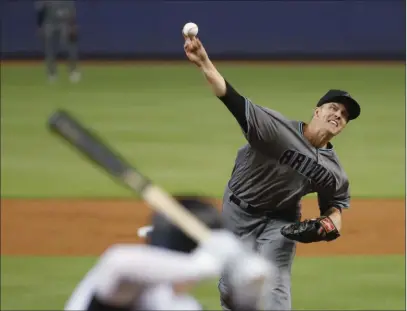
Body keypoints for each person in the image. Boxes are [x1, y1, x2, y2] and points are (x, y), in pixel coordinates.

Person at [183, 36, 361, 310]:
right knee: (232, 288)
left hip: (281, 218)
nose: (338, 115)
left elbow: (335, 212)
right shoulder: (276, 130)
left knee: (276, 282)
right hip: (238, 209)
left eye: (345, 115)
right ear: (317, 111)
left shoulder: (332, 171)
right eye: (333, 108)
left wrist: (324, 226)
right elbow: (230, 98)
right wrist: (204, 62)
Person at [65, 197, 272, 311]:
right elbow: (118, 263)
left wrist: (248, 298)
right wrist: (201, 266)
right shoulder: (130, 287)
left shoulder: (181, 306)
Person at [35, 0, 80, 83]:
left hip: (64, 23)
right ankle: (52, 73)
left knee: (70, 48)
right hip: (49, 23)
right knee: (49, 50)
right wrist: (40, 27)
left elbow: (72, 13)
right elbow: (40, 12)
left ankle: (73, 71)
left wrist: (73, 26)